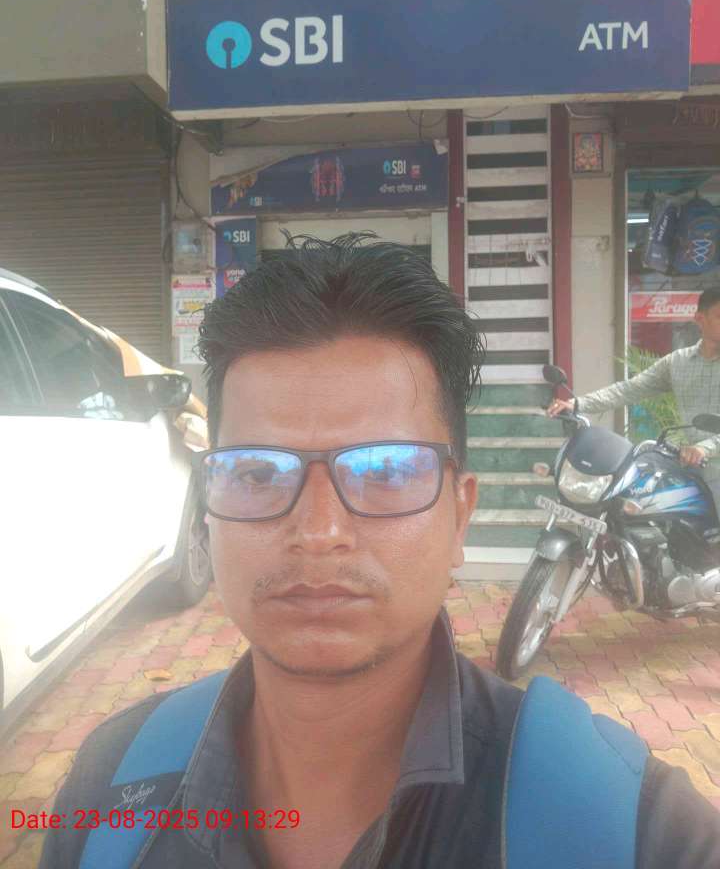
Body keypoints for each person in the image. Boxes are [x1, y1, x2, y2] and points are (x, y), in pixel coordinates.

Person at [40, 235, 720, 868]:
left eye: (387, 470)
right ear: (208, 509)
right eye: (257, 471)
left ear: (459, 515)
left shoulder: (630, 827)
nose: (318, 531)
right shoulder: (114, 790)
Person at [548, 286, 720, 512]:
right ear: (700, 319)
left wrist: (705, 448)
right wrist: (577, 404)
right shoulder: (678, 362)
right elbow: (630, 389)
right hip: (687, 462)